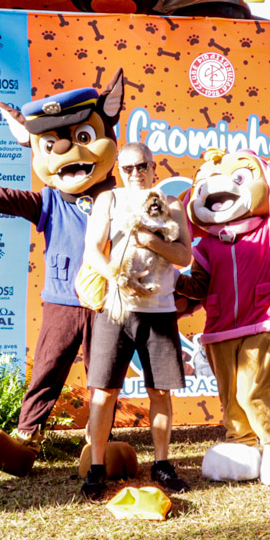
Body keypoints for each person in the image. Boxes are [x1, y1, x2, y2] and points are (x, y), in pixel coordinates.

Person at [81, 143, 192, 499]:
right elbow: (92, 250)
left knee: (160, 392)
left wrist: (149, 240)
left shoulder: (171, 204)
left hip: (159, 312)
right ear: (119, 170)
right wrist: (117, 277)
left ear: (153, 167)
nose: (135, 173)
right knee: (104, 391)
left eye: (141, 166)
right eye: (127, 168)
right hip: (116, 309)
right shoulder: (109, 200)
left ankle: (162, 464)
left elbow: (184, 256)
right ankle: (96, 468)